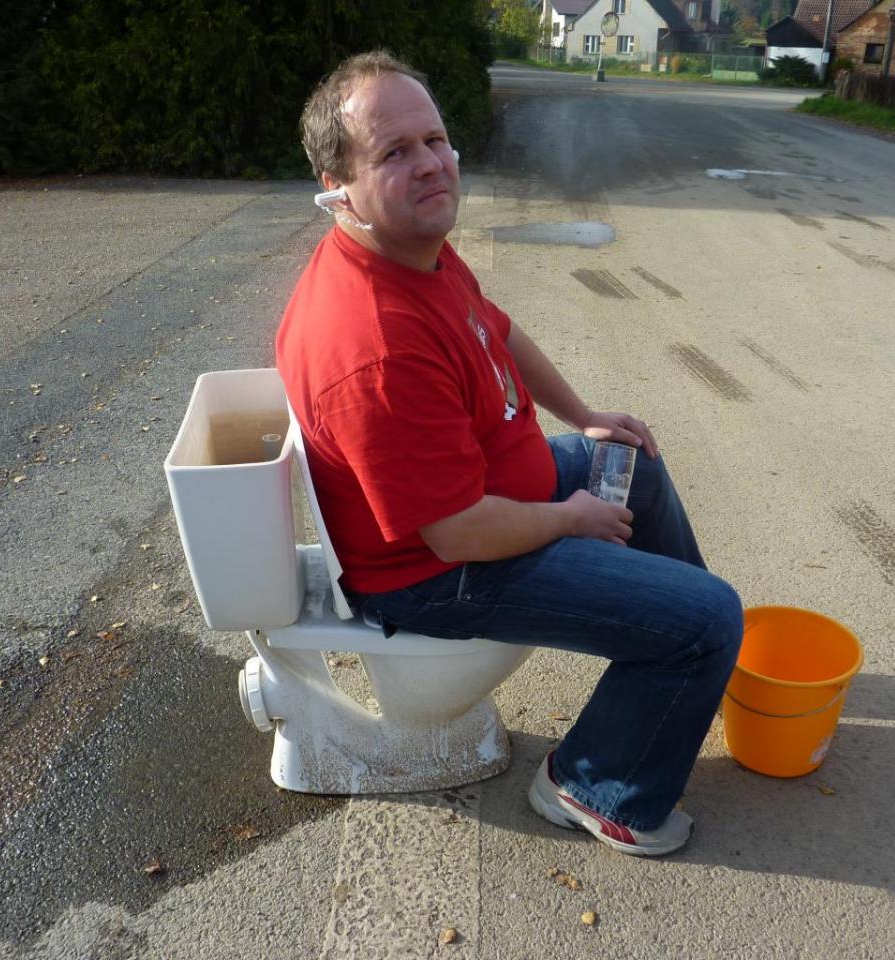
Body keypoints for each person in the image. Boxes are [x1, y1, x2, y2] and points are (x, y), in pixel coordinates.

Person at [276, 51, 743, 857]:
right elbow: (456, 533)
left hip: (489, 497)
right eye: (394, 152)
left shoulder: (410, 246)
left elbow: (496, 329)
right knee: (710, 618)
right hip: (439, 575)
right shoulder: (373, 343)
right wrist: (570, 518)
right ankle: (594, 787)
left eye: (435, 140)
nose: (431, 164)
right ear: (338, 184)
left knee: (634, 462)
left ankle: (680, 665)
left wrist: (586, 417)